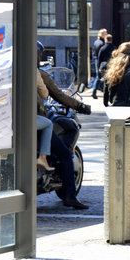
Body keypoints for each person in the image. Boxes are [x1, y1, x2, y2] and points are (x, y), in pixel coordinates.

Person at [37, 67, 92, 210]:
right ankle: (70, 197)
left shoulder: (9, 73)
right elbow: (58, 95)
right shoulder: (38, 74)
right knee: (66, 155)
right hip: (35, 123)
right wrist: (80, 105)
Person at [36, 70, 54, 171]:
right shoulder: (33, 70)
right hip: (25, 118)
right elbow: (44, 93)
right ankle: (43, 157)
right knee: (48, 124)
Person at [94, 33, 115, 97]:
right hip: (111, 65)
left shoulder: (103, 48)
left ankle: (102, 93)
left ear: (106, 40)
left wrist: (99, 68)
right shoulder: (114, 48)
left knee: (104, 80)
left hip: (103, 66)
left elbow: (99, 58)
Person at [90, 28, 107, 99]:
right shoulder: (101, 43)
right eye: (105, 33)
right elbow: (100, 54)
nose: (106, 34)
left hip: (96, 60)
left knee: (99, 76)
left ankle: (95, 91)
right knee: (99, 76)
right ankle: (94, 91)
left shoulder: (96, 42)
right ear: (102, 34)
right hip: (99, 61)